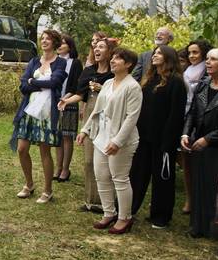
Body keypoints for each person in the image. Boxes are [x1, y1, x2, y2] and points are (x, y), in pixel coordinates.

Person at [78, 48, 142, 234]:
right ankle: (108, 213)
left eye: (118, 59)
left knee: (120, 179)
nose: (113, 61)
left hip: (121, 140)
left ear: (128, 64)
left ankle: (124, 218)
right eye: (112, 58)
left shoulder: (133, 87)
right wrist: (85, 130)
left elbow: (132, 118)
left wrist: (118, 141)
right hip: (101, 137)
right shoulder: (107, 83)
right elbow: (97, 110)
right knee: (101, 176)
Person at [181, 48, 218, 239]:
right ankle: (198, 226)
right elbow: (192, 113)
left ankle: (215, 230)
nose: (208, 62)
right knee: (198, 184)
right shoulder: (203, 84)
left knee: (215, 188)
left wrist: (209, 139)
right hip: (197, 141)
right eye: (207, 59)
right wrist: (185, 134)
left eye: (213, 59)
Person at [130, 46, 186, 228]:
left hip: (163, 139)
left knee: (162, 178)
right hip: (143, 136)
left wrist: (168, 141)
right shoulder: (149, 79)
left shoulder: (176, 82)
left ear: (169, 58)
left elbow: (176, 115)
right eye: (154, 53)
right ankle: (129, 209)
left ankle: (160, 216)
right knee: (137, 173)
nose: (154, 55)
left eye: (159, 53)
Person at [60, 36, 117, 213]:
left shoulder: (115, 74)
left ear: (109, 52)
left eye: (102, 47)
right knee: (88, 160)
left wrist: (103, 89)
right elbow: (80, 94)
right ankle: (90, 200)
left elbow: (121, 94)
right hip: (90, 115)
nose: (97, 50)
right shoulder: (88, 70)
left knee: (106, 161)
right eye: (96, 47)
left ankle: (105, 202)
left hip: (108, 116)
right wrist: (67, 101)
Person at [10, 29, 68, 202]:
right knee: (22, 149)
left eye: (48, 39)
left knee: (44, 151)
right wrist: (36, 84)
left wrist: (33, 82)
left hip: (48, 112)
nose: (44, 41)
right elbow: (23, 86)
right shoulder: (34, 61)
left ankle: (48, 190)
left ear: (55, 42)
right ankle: (29, 184)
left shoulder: (60, 63)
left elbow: (55, 82)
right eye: (42, 38)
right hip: (29, 109)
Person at [178, 38, 211, 214]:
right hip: (185, 115)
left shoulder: (209, 70)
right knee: (187, 161)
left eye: (195, 52)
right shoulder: (186, 70)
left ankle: (202, 200)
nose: (191, 56)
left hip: (202, 119)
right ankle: (190, 199)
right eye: (189, 52)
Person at [54, 34, 82, 183]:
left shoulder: (75, 63)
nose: (59, 45)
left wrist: (66, 99)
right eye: (58, 43)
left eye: (63, 43)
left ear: (70, 47)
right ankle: (58, 167)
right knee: (57, 137)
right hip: (54, 103)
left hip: (69, 102)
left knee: (66, 136)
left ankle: (65, 169)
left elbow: (76, 86)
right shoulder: (55, 61)